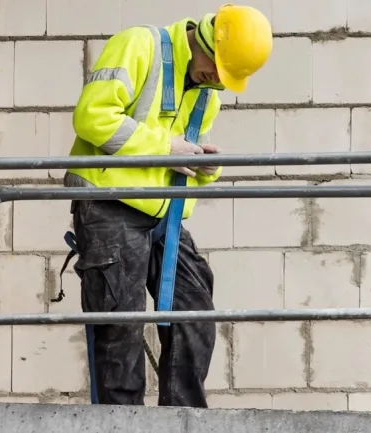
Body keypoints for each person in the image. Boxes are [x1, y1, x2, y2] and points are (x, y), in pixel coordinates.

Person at [57, 4, 273, 408]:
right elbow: (92, 117)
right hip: (110, 207)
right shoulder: (141, 45)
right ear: (205, 38)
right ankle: (124, 422)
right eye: (216, 67)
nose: (216, 79)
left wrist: (207, 165)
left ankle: (183, 419)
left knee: (196, 315)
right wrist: (165, 148)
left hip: (165, 216)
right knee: (122, 328)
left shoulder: (207, 90)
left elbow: (184, 154)